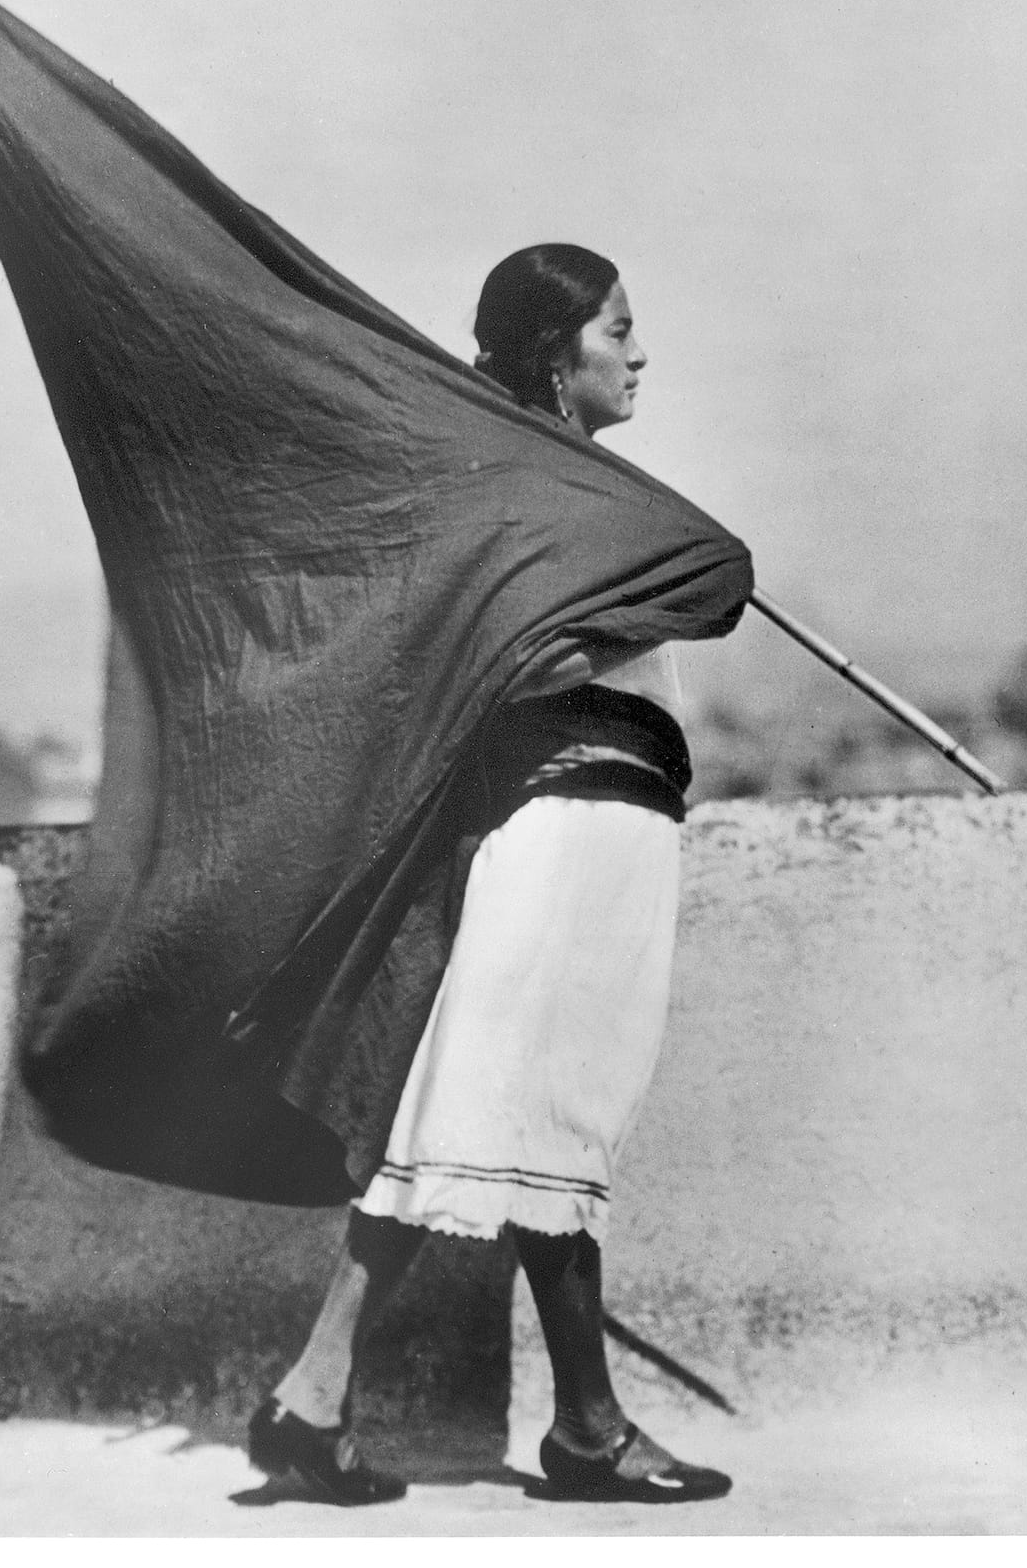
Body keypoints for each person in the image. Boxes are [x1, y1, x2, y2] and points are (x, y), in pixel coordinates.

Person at [247, 244, 734, 1507]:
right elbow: (536, 644)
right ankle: (560, 1428)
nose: (639, 353)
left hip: (598, 824)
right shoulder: (530, 498)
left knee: (498, 1124)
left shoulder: (564, 494)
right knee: (511, 1120)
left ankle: (359, 1403)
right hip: (568, 828)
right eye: (616, 331)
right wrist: (669, 568)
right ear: (554, 358)